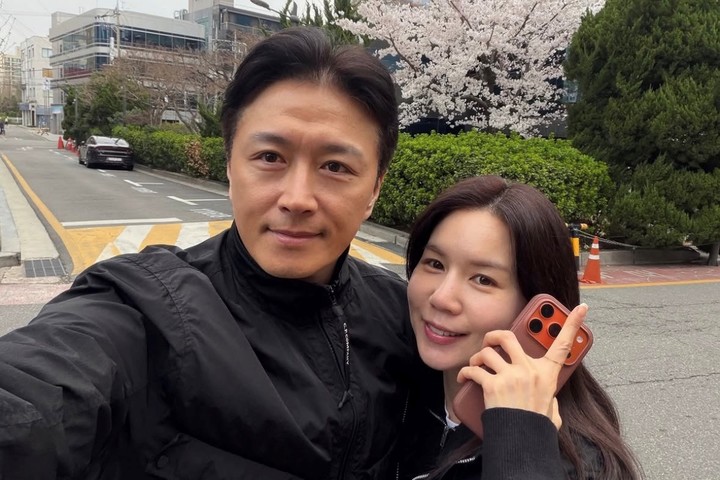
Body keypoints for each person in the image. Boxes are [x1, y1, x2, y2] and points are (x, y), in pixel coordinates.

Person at [0, 27, 424, 479]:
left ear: (374, 189)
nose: (297, 198)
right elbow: (39, 392)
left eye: (335, 166)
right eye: (270, 157)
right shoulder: (146, 305)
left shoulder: (406, 316)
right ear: (230, 166)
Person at [398, 176, 643, 479]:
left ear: (532, 305)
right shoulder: (389, 377)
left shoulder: (580, 465)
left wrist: (520, 443)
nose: (441, 298)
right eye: (435, 264)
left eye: (483, 279)